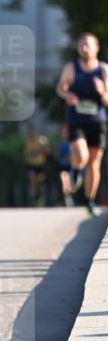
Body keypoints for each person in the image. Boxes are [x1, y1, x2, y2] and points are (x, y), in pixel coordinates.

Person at [56, 33, 108, 216]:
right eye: (81, 45)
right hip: (77, 120)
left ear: (96, 48)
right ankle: (77, 169)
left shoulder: (103, 70)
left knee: (94, 164)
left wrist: (102, 92)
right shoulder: (72, 68)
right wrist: (67, 94)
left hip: (98, 122)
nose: (84, 48)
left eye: (88, 45)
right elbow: (60, 88)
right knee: (80, 154)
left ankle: (89, 200)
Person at [23, 126, 49, 206]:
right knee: (33, 180)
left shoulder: (42, 141)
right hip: (31, 165)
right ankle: (33, 198)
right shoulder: (28, 143)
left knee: (40, 181)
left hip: (40, 165)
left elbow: (47, 152)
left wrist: (43, 145)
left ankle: (41, 198)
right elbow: (26, 155)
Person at [55, 125, 74, 207]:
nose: (64, 134)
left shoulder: (71, 142)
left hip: (70, 165)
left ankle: (69, 195)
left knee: (70, 181)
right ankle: (67, 196)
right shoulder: (58, 143)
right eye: (62, 132)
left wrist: (69, 158)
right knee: (64, 179)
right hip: (61, 165)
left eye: (65, 132)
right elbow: (56, 155)